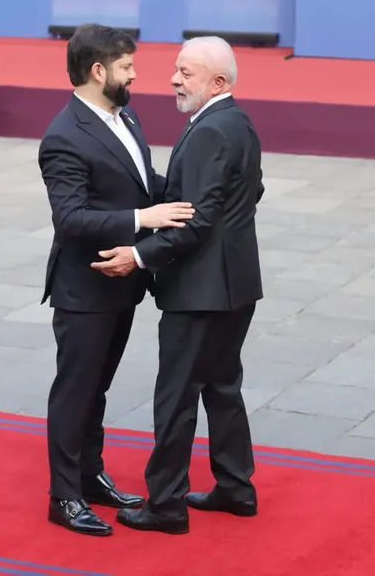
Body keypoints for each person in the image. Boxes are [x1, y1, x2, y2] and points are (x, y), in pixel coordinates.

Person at [91, 36, 264, 535]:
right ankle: (236, 488)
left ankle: (165, 504)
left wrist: (139, 255)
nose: (173, 79)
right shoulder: (238, 122)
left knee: (176, 396)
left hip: (201, 293)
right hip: (236, 287)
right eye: (176, 69)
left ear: (218, 81)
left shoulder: (212, 129)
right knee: (222, 388)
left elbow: (199, 217)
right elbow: (248, 192)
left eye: (185, 72)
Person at [38, 23, 196, 537]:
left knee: (98, 389)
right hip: (84, 288)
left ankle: (89, 476)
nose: (135, 75)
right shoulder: (63, 136)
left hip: (121, 283)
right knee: (75, 391)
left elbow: (145, 182)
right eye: (127, 67)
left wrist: (193, 192)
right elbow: (71, 218)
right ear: (98, 70)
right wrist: (142, 219)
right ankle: (63, 497)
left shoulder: (124, 116)